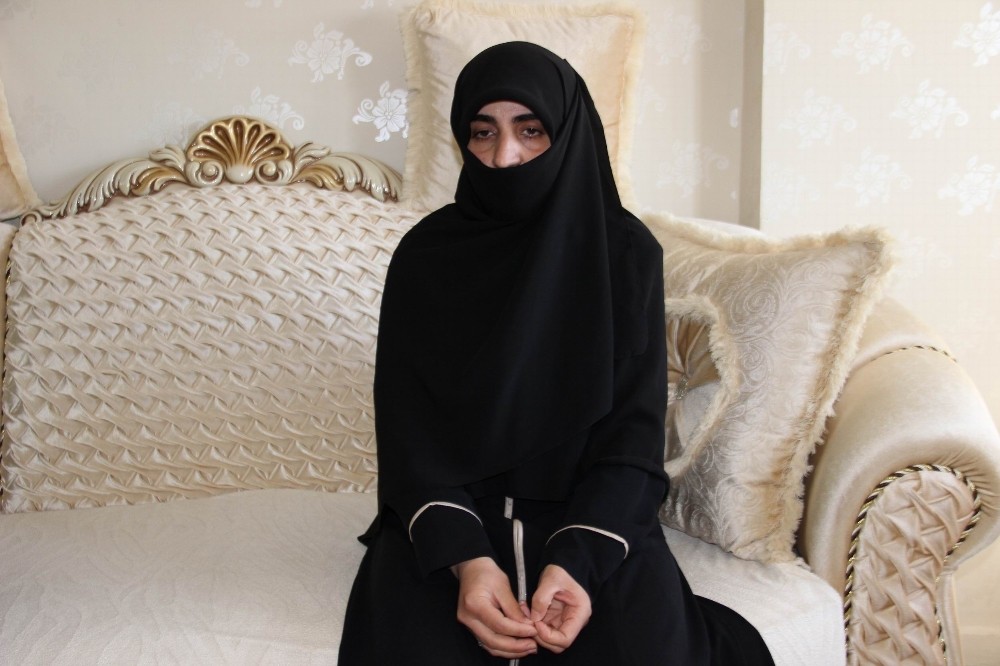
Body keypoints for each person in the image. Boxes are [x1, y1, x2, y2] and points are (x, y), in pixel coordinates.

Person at [339, 41, 774, 665]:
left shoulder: (625, 255)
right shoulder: (426, 258)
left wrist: (578, 562)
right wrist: (466, 560)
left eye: (531, 131)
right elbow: (410, 438)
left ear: (567, 134)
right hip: (453, 520)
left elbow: (631, 440)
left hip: (591, 514)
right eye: (483, 132)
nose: (504, 156)